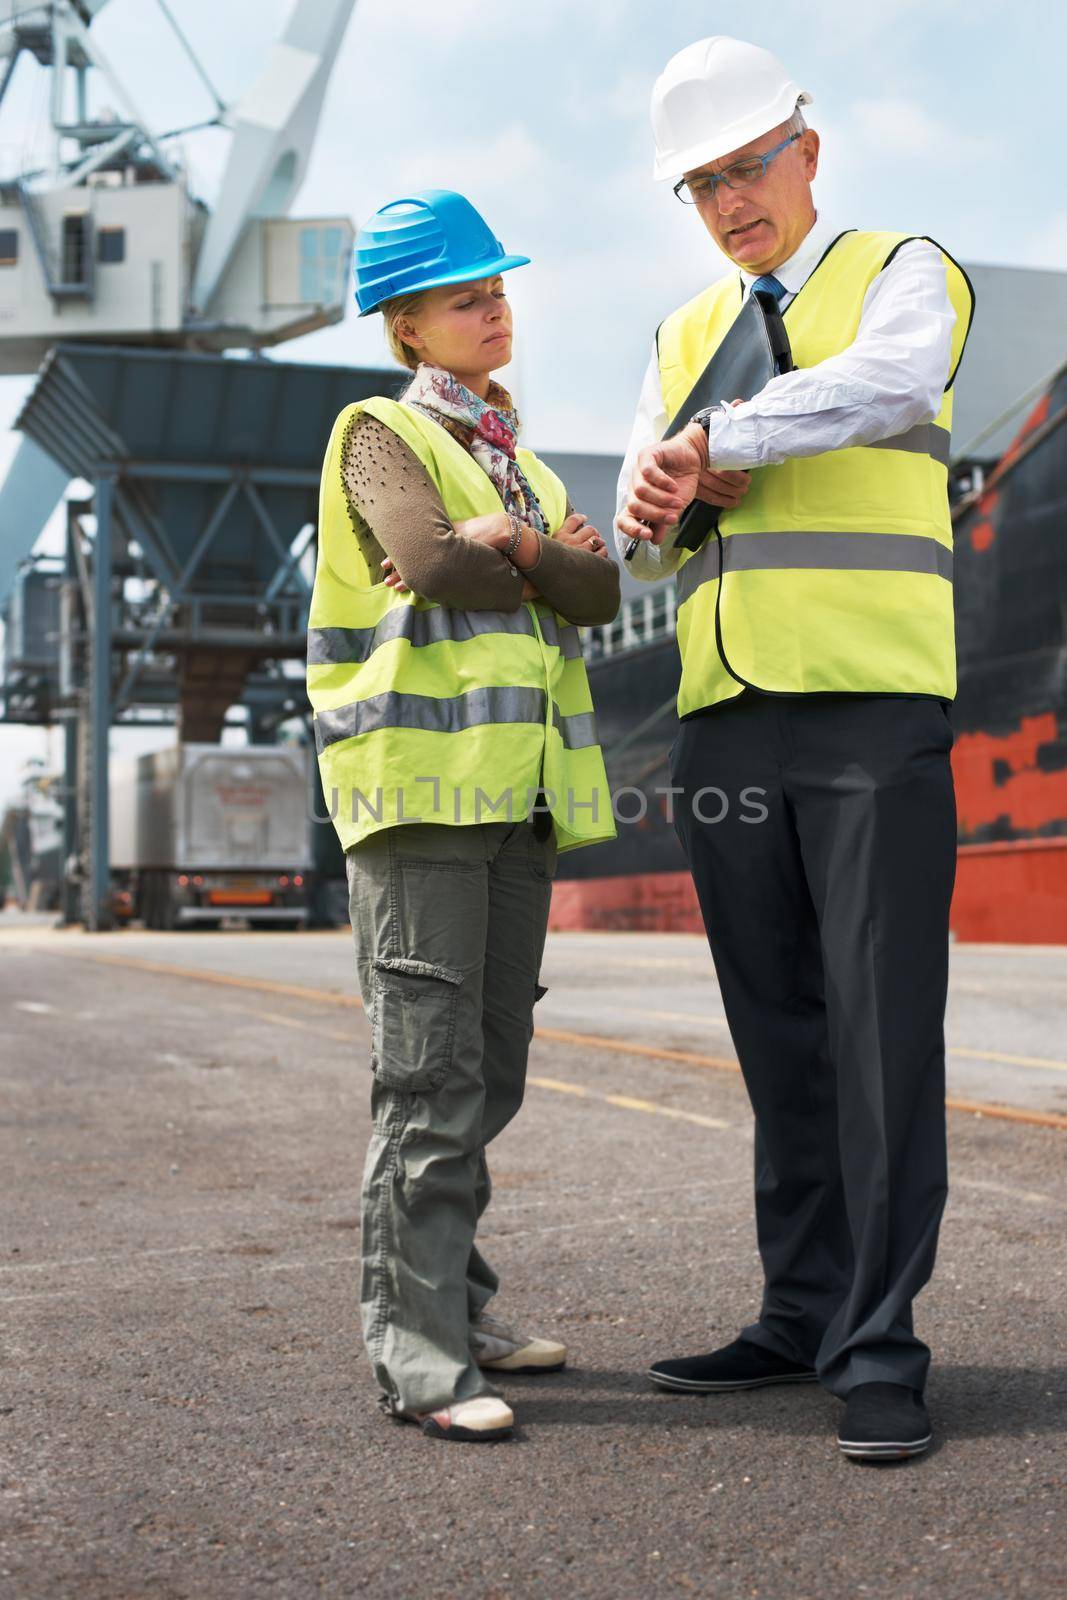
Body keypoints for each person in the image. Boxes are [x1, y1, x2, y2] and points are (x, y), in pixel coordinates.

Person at [616, 38, 974, 1462]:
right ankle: (798, 1310)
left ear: (804, 152)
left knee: (878, 1029)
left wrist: (714, 438)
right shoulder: (677, 329)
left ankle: (878, 1349)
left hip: (867, 707)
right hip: (724, 715)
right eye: (698, 186)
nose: (725, 204)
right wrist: (651, 492)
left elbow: (884, 390)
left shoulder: (900, 269)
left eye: (744, 170)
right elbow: (653, 504)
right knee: (778, 1032)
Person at [307, 189, 619, 1442]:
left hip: (519, 798)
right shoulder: (374, 432)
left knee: (486, 1071)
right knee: (426, 1078)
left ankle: (456, 1299)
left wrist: (522, 540)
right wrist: (527, 549)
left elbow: (597, 592)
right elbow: (427, 562)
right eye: (461, 295)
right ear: (405, 326)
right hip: (420, 798)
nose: (492, 308)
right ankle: (419, 1353)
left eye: (496, 289)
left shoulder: (521, 464)